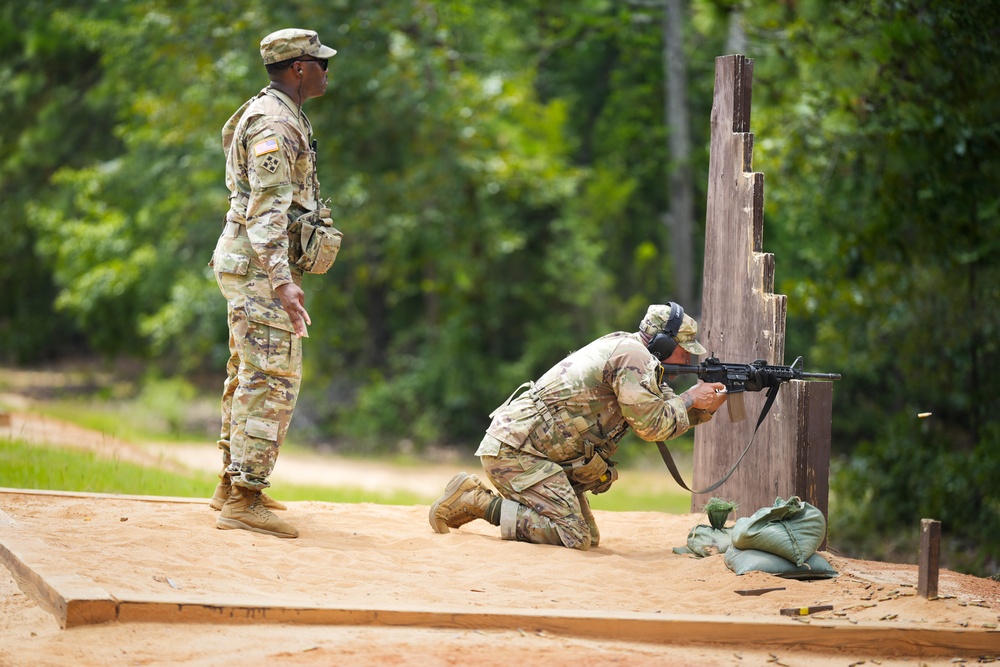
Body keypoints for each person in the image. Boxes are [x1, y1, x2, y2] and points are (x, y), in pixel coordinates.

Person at [428, 302, 728, 550]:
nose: (688, 357)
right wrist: (690, 399)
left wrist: (701, 410)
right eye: (683, 348)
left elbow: (661, 416)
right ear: (662, 343)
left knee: (587, 537)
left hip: (532, 452)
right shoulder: (632, 358)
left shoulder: (638, 358)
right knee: (573, 535)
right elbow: (650, 427)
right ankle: (476, 502)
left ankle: (491, 503)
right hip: (516, 452)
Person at [208, 28, 338, 539]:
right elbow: (267, 209)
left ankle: (230, 484)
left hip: (249, 263)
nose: (328, 71)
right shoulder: (275, 123)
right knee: (272, 377)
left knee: (247, 371)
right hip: (261, 268)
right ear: (299, 68)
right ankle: (244, 497)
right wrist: (284, 282)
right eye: (320, 63)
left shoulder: (275, 112)